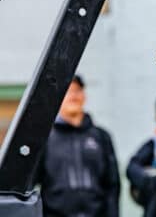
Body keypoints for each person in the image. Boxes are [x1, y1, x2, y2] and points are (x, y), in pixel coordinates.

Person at [36, 74, 120, 217]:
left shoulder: (101, 137)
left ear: (84, 96)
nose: (73, 96)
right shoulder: (44, 138)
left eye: (77, 90)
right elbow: (29, 186)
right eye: (68, 91)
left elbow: (112, 186)